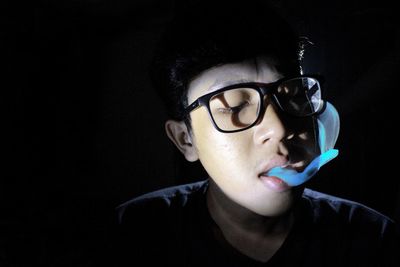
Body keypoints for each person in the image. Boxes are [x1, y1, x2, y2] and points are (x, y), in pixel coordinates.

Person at [111, 1, 399, 266]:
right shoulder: (131, 235)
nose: (279, 128)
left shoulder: (374, 240)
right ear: (186, 139)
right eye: (235, 106)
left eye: (294, 94)